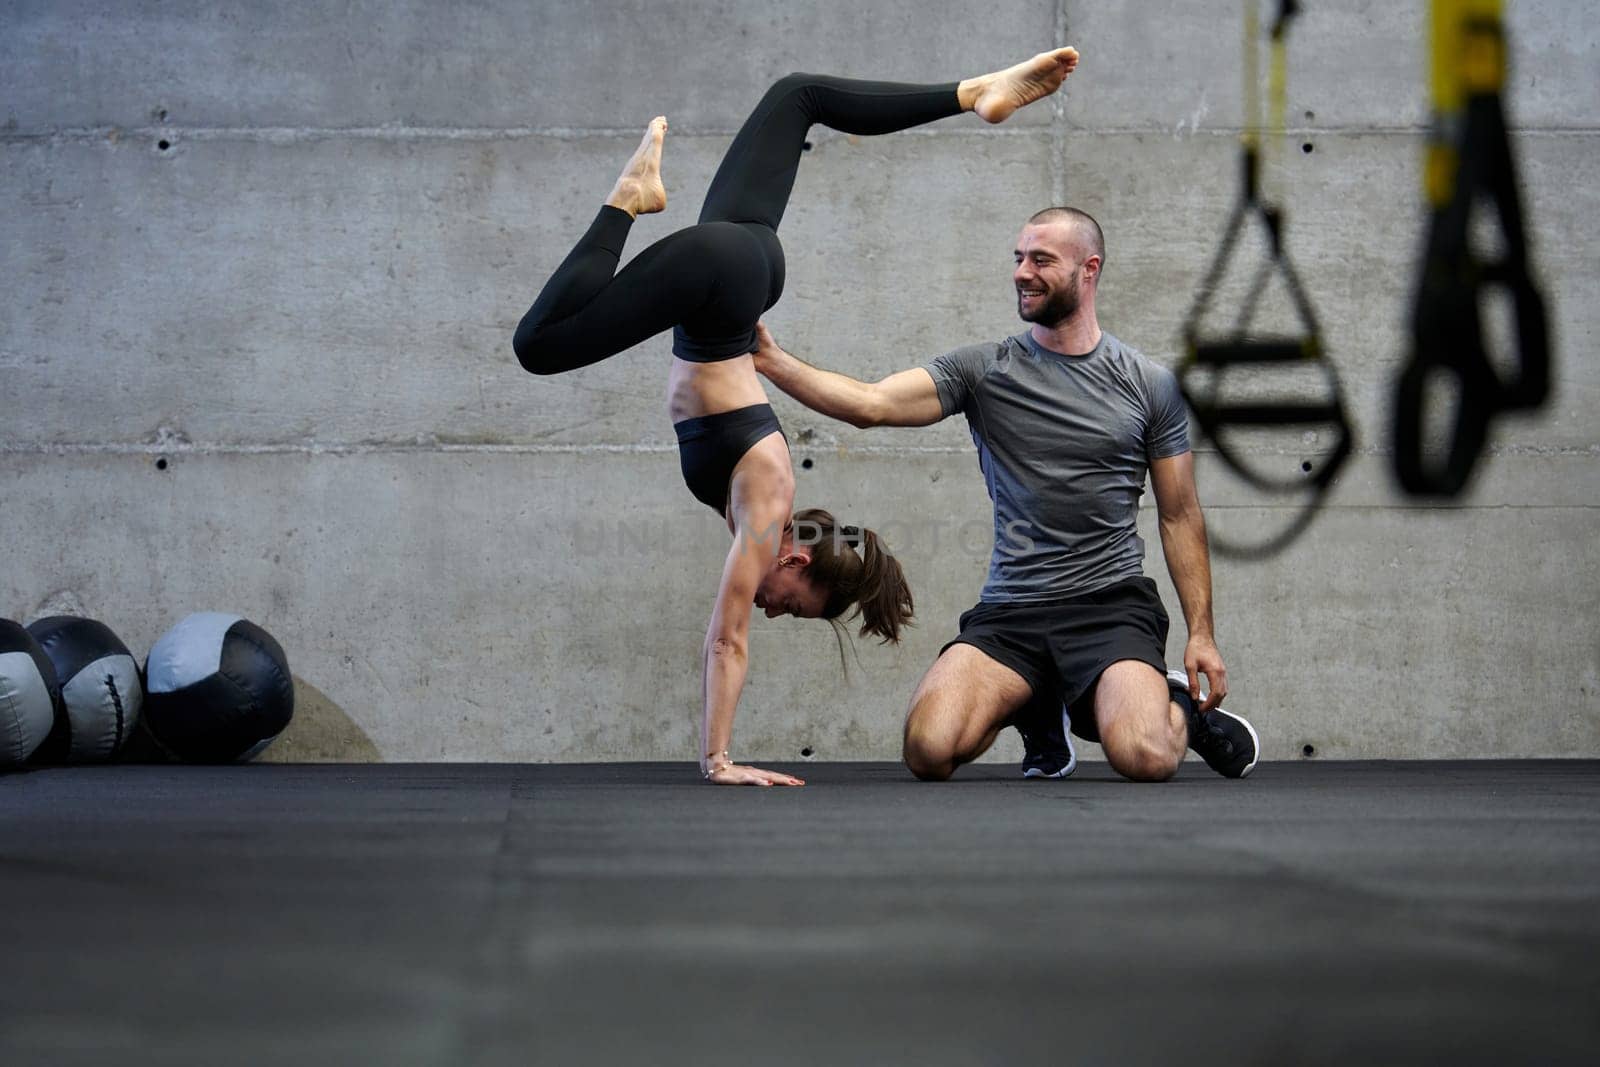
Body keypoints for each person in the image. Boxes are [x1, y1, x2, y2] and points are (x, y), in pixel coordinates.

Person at [512, 50, 1082, 785]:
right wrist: (717, 759)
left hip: (748, 268)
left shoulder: (765, 495)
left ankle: (977, 93)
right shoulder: (766, 503)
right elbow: (727, 640)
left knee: (798, 94)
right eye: (797, 605)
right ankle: (629, 197)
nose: (776, 612)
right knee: (540, 345)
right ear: (797, 560)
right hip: (720, 274)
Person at [752, 206, 1261, 782]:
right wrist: (770, 359)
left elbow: (1179, 514)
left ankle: (1177, 713)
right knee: (928, 750)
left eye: (1041, 259)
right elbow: (872, 404)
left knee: (1142, 755)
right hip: (1012, 610)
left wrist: (1201, 634)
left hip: (1109, 606)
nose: (1023, 271)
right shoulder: (984, 370)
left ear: (1088, 269)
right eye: (1019, 258)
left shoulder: (1149, 384)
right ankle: (1033, 702)